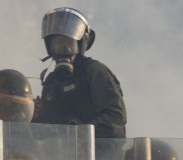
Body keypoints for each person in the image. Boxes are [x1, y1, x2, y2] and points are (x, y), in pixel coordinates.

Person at [34, 7, 127, 138]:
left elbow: (115, 117)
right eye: (58, 43)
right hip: (61, 155)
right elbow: (47, 131)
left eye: (68, 43)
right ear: (49, 47)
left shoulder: (94, 71)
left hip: (101, 155)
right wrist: (35, 118)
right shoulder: (51, 82)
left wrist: (80, 132)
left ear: (81, 43)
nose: (63, 48)